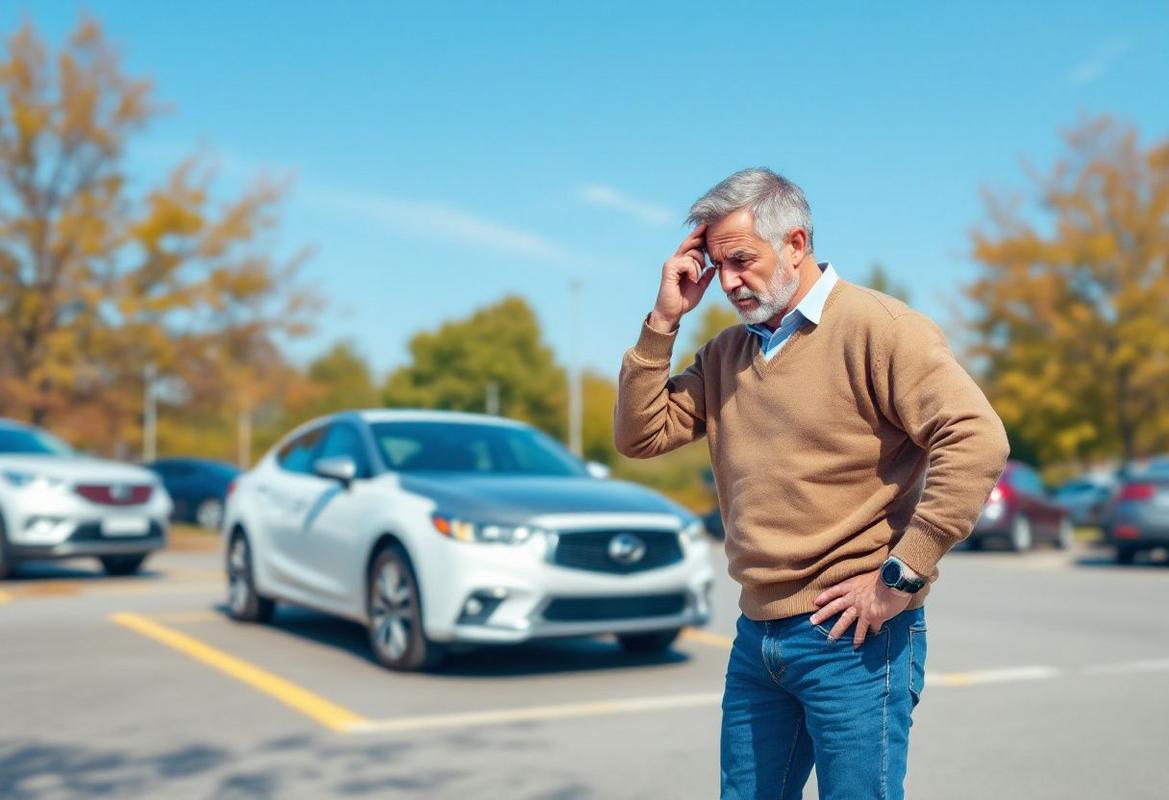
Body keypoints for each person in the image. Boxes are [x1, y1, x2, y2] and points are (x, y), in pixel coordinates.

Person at [613, 168, 1009, 800]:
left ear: (795, 244)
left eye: (742, 260)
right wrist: (663, 321)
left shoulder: (881, 327)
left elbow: (977, 437)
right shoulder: (725, 355)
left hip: (854, 639)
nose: (730, 282)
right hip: (757, 638)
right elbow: (640, 435)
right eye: (719, 265)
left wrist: (903, 574)